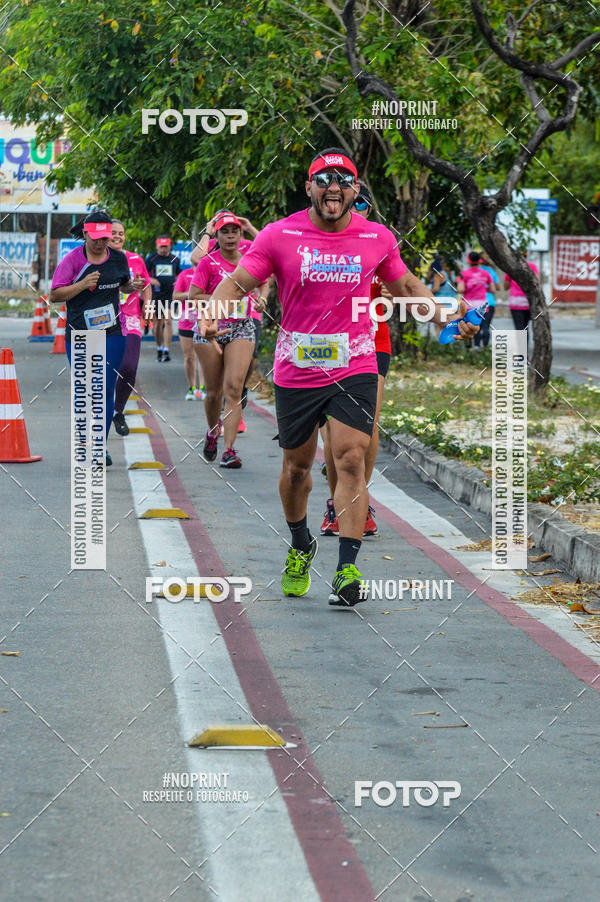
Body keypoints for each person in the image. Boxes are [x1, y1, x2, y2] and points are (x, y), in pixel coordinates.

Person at [198, 148, 479, 606]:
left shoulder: (376, 236)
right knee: (297, 469)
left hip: (356, 363)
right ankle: (300, 543)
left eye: (344, 181)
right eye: (324, 179)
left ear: (354, 191)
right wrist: (213, 311)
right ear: (309, 187)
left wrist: (446, 315)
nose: (334, 187)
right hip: (297, 367)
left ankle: (347, 570)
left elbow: (406, 287)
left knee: (350, 458)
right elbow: (237, 283)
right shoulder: (278, 234)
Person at [49, 211, 145, 465]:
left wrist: (130, 287)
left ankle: (98, 447)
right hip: (80, 332)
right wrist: (81, 285)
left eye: (105, 238)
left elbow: (122, 285)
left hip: (112, 332)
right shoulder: (72, 260)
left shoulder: (118, 258)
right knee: (85, 392)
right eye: (96, 238)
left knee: (104, 390)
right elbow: (55, 295)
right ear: (85, 234)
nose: (102, 243)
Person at [320, 183, 386, 538]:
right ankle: (336, 501)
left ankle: (359, 497)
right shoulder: (321, 241)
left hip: (374, 342)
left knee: (368, 426)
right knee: (332, 428)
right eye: (351, 202)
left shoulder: (380, 241)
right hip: (327, 345)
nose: (356, 207)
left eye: (362, 202)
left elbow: (403, 285)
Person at [189, 212, 267, 468]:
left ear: (240, 235)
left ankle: (229, 450)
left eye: (235, 231)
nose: (230, 236)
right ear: (217, 236)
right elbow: (193, 295)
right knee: (214, 392)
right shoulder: (208, 263)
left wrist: (261, 297)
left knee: (234, 389)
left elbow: (264, 282)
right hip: (209, 327)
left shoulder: (250, 261)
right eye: (225, 232)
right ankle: (213, 432)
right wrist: (220, 299)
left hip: (241, 327)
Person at [108, 221, 152, 434]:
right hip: (104, 320)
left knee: (128, 368)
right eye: (113, 233)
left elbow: (146, 285)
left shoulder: (135, 259)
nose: (117, 237)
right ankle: (101, 420)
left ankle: (118, 411)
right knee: (105, 374)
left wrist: (149, 304)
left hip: (131, 319)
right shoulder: (99, 258)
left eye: (121, 234)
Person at [145, 236, 180, 361]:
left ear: (170, 246)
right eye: (161, 246)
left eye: (166, 246)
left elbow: (179, 274)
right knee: (158, 323)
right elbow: (143, 276)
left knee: (168, 321)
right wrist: (152, 280)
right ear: (157, 246)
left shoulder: (175, 259)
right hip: (156, 296)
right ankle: (159, 347)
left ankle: (166, 350)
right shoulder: (151, 259)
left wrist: (177, 281)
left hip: (170, 295)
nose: (164, 249)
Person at [172, 267, 205, 401]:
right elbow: (175, 296)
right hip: (186, 321)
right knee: (189, 357)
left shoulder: (208, 272)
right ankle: (192, 388)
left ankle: (203, 388)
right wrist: (190, 294)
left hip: (204, 320)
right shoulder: (185, 274)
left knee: (203, 357)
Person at [505, 252, 541, 332]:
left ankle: (521, 344)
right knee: (525, 327)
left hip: (516, 302)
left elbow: (506, 287)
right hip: (528, 301)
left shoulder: (511, 267)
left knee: (519, 328)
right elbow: (537, 282)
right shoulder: (532, 266)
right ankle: (525, 344)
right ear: (526, 255)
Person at [474, 250, 498, 349]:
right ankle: (485, 347)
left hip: (476, 303)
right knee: (486, 326)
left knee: (477, 326)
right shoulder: (491, 272)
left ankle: (476, 346)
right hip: (490, 302)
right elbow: (497, 288)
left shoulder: (474, 271)